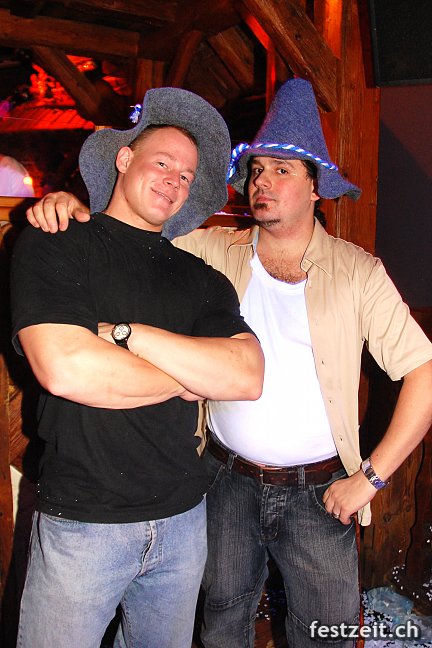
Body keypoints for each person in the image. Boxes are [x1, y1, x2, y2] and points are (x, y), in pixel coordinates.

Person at [26, 79, 432, 648]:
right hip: (223, 483)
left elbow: (424, 372)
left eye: (282, 170)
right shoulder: (211, 251)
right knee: (220, 626)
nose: (262, 181)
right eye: (257, 169)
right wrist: (71, 205)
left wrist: (370, 479)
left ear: (317, 187)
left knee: (327, 636)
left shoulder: (358, 272)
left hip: (321, 491)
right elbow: (132, 230)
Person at [10, 87, 264, 648]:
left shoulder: (202, 278)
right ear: (124, 159)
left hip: (183, 521)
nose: (175, 181)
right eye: (163, 163)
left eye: (187, 175)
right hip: (83, 523)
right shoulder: (56, 242)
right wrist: (191, 376)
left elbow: (246, 376)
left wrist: (129, 337)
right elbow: (66, 369)